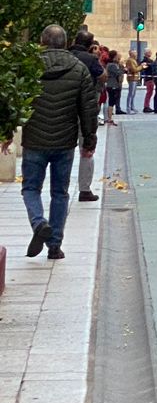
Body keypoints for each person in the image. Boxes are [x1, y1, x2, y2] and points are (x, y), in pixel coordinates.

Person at [22, 25, 99, 262]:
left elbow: (16, 100)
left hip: (34, 138)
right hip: (65, 141)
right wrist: (89, 139)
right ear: (65, 43)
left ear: (42, 41)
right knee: (60, 192)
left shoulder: (29, 67)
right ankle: (54, 245)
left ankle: (38, 222)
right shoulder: (79, 69)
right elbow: (88, 108)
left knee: (31, 188)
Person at [69, 31, 105, 199]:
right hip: (85, 109)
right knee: (87, 148)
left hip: (65, 108)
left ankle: (61, 187)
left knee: (64, 149)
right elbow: (103, 76)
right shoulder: (90, 60)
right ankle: (84, 189)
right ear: (90, 45)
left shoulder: (66, 55)